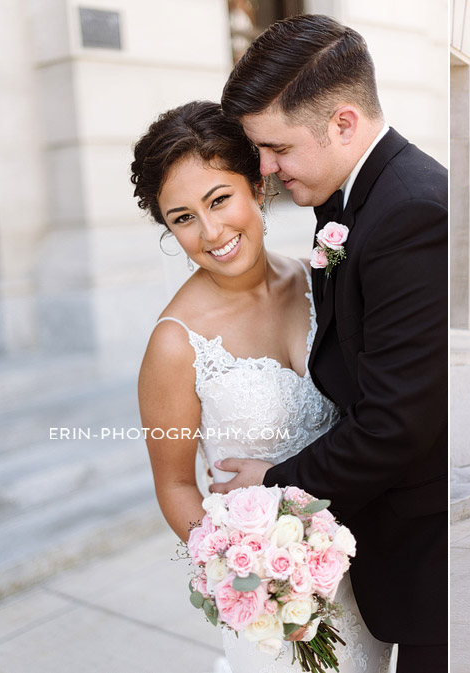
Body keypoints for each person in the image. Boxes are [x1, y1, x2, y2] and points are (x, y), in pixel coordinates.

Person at [207, 14, 448, 672]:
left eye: (276, 148)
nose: (266, 171)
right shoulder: (349, 202)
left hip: (430, 565)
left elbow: (397, 423)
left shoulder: (412, 213)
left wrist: (275, 483)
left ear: (344, 122)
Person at [132, 100, 393, 672]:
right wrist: (255, 585)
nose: (211, 231)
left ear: (256, 184)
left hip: (366, 574)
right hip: (273, 604)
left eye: (219, 199)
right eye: (182, 218)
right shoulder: (174, 345)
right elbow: (176, 486)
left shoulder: (320, 278)